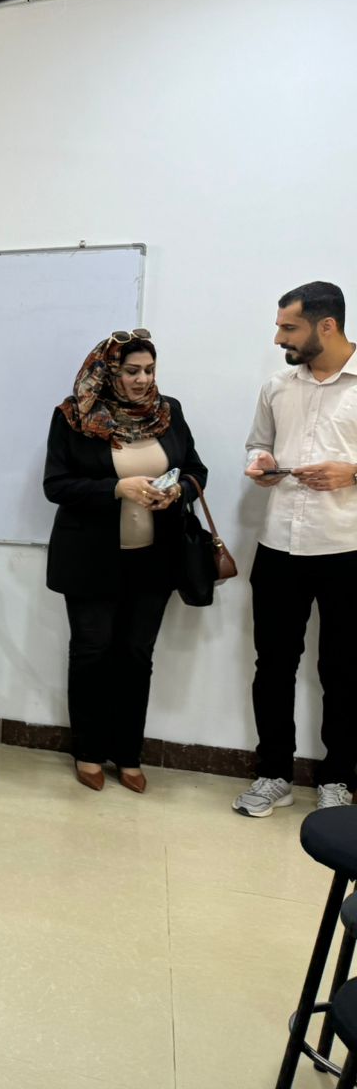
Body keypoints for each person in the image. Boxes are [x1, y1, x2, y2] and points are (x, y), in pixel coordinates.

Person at [44, 330, 208, 794]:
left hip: (155, 559)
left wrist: (178, 491)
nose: (143, 379)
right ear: (107, 372)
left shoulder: (168, 412)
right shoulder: (74, 416)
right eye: (132, 371)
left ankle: (128, 754)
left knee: (136, 656)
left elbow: (196, 470)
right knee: (92, 653)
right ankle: (88, 752)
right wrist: (116, 489)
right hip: (90, 560)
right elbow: (56, 485)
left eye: (149, 370)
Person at [235, 281, 357, 818]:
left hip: (347, 548)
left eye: (289, 327)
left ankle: (338, 779)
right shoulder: (277, 387)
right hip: (278, 545)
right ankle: (273, 775)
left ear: (326, 326)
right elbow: (257, 443)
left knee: (345, 669)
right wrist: (260, 464)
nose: (279, 338)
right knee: (273, 666)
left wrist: (353, 472)